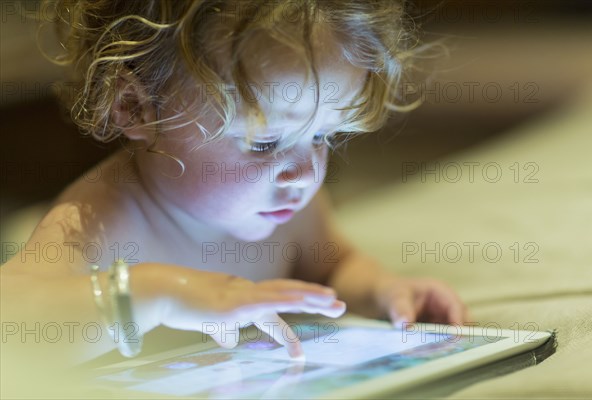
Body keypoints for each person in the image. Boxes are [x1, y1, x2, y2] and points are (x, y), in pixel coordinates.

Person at [1, 0, 467, 366]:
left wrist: (383, 291)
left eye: (322, 135)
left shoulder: (290, 203)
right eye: (265, 143)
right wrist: (157, 293)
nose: (305, 173)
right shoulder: (104, 220)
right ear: (134, 107)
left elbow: (330, 268)